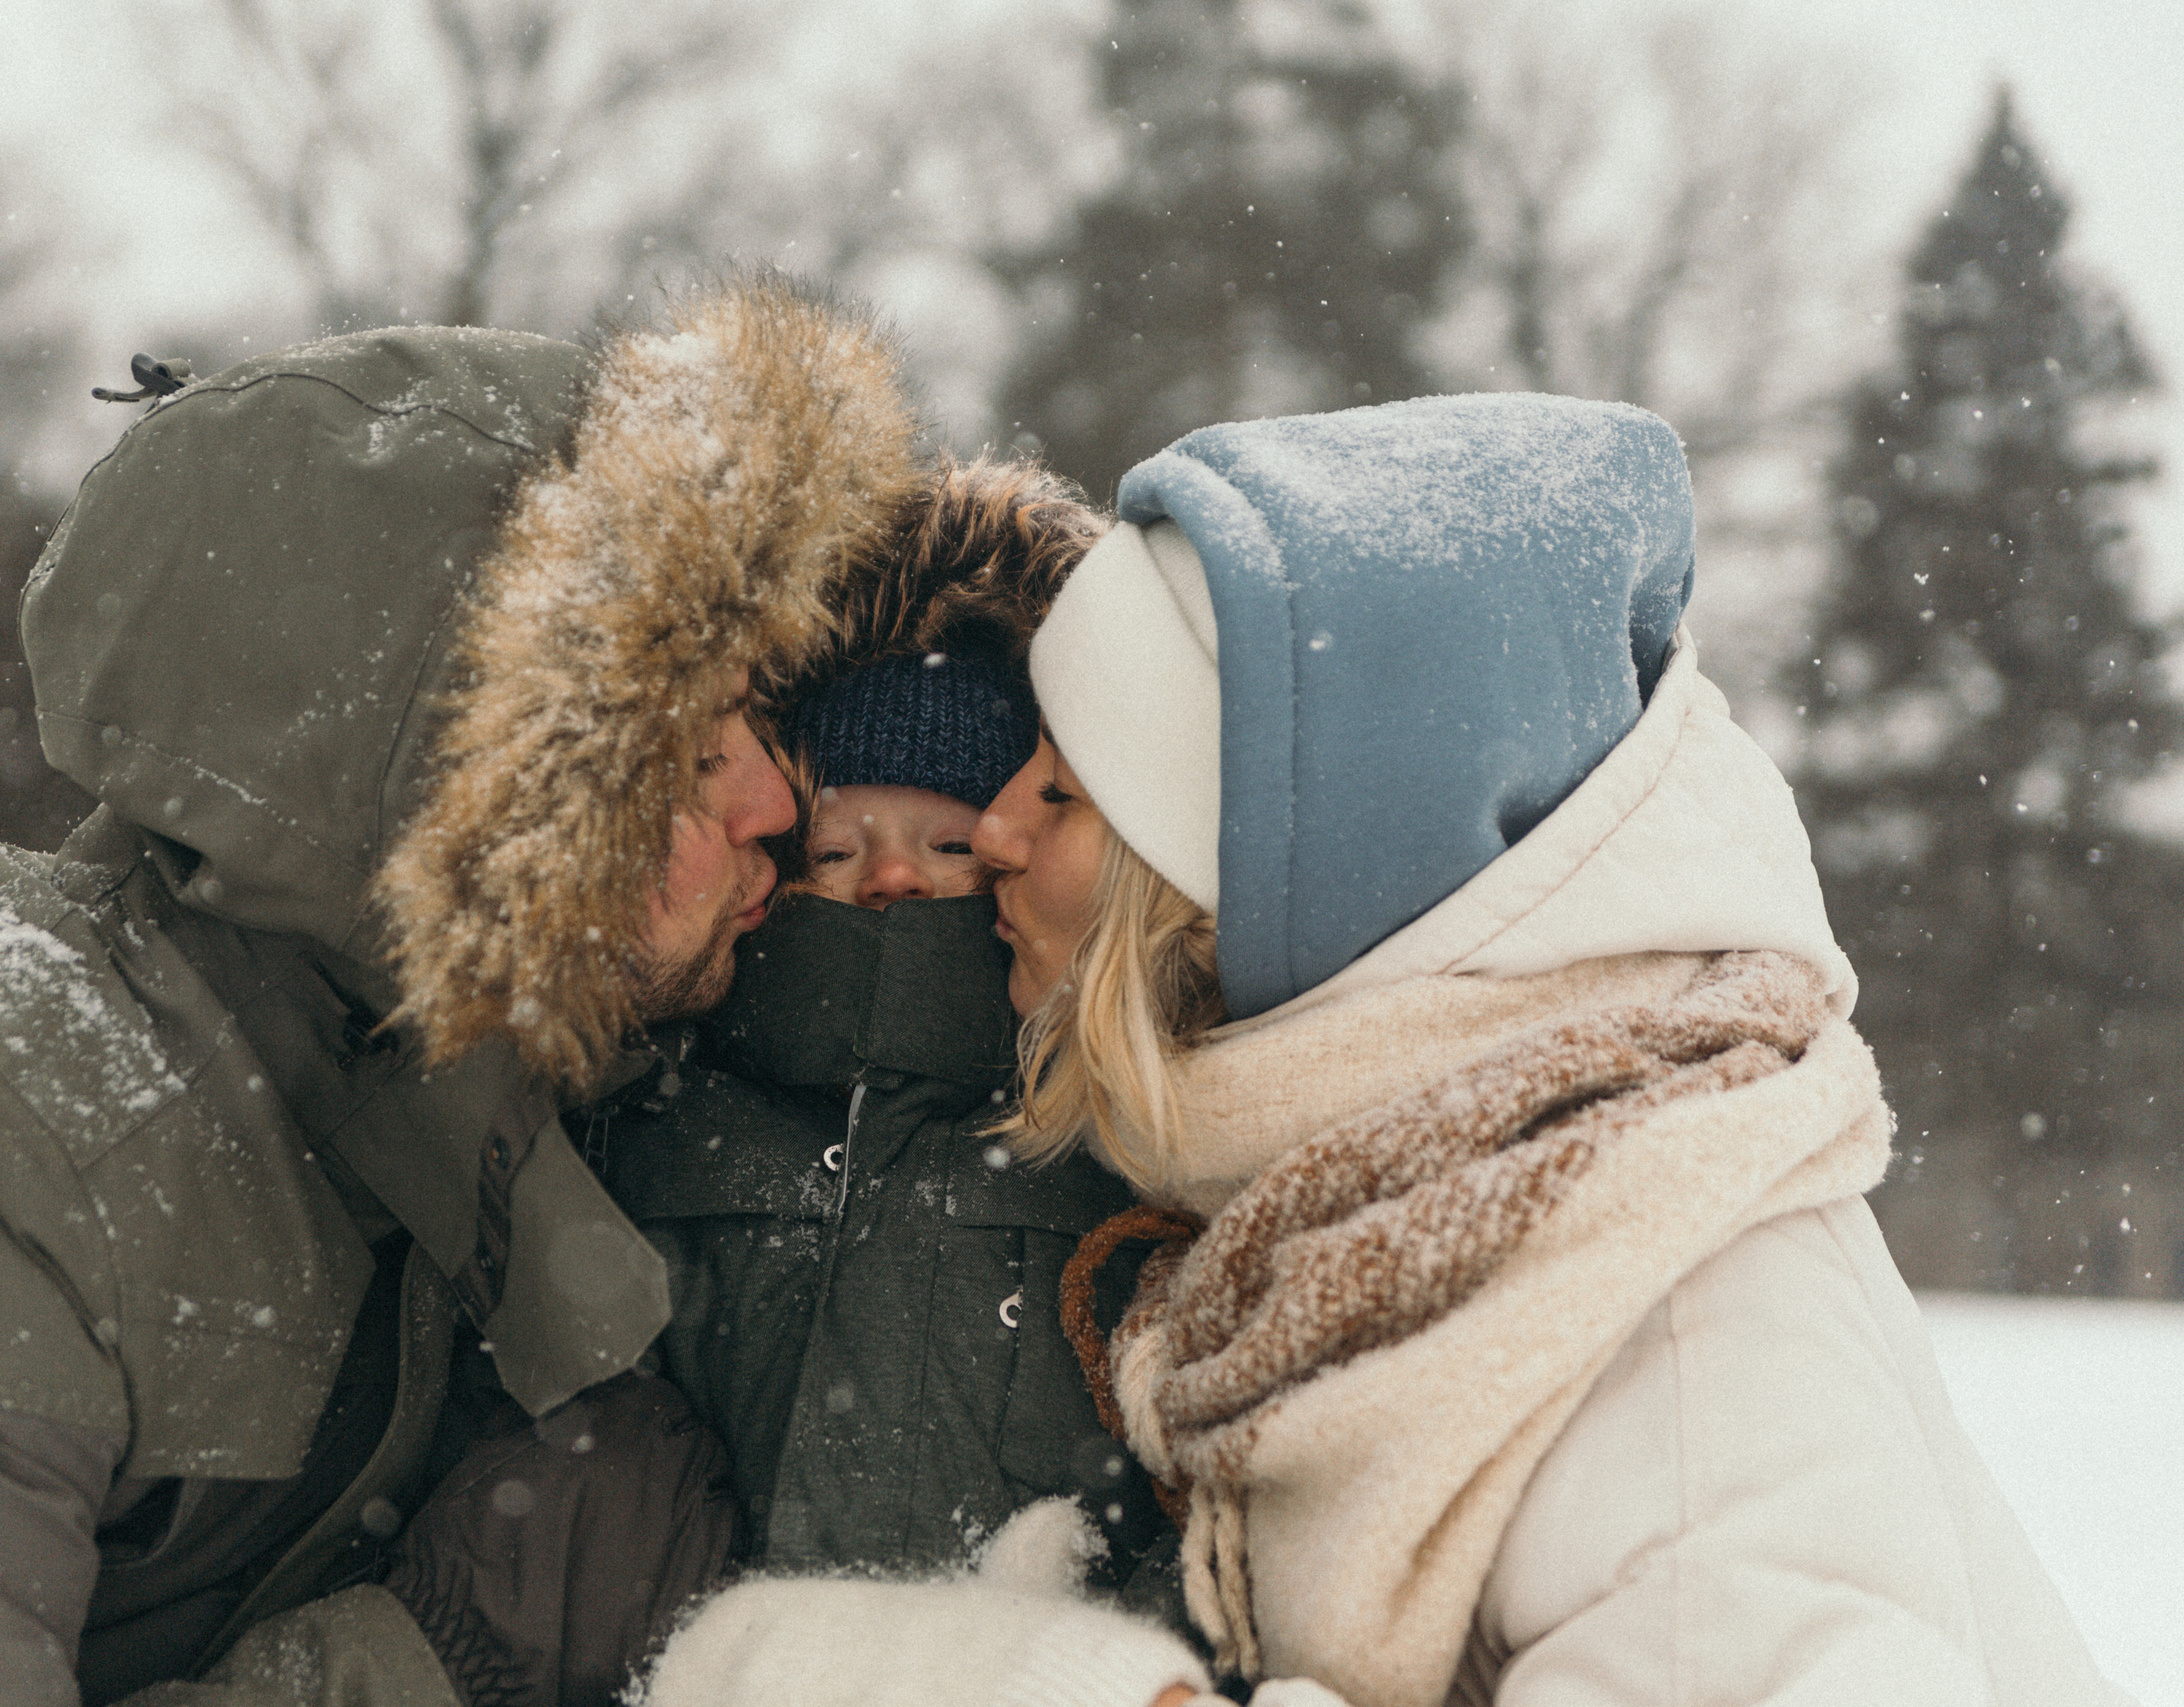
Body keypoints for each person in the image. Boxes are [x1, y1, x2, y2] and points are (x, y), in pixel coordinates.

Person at [644, 394, 2131, 1707]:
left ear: (1245, 880)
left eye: (1067, 793)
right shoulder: (1387, 1206)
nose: (1001, 837)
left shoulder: (1662, 1307)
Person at [0, 272, 921, 1706]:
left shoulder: (466, 1103)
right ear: (450, 795)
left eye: (759, 705)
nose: (775, 795)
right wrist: (430, 1660)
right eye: (677, 748)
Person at [580, 459, 1180, 1589]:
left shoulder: (1115, 1129)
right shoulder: (662, 1101)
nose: (892, 879)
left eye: (948, 846)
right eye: (838, 848)